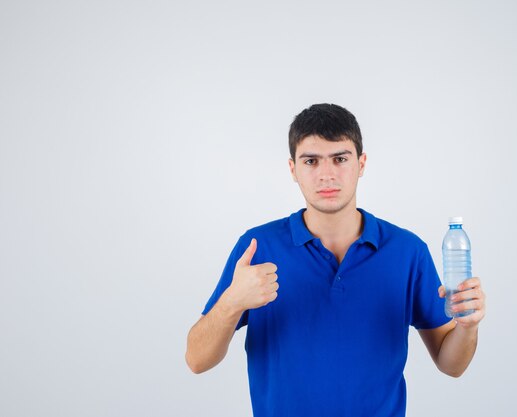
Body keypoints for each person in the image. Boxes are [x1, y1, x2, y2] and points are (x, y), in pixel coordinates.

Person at [185, 103, 486, 417]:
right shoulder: (257, 247)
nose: (326, 174)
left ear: (361, 163)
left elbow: (452, 365)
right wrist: (232, 301)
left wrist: (468, 327)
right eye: (311, 161)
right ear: (293, 169)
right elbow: (196, 359)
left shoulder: (407, 250)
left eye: (340, 159)